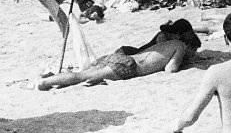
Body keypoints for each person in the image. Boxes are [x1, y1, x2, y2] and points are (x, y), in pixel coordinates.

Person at [39, 19, 200, 90]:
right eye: (194, 52)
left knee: (83, 74)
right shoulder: (180, 46)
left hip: (122, 58)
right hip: (129, 65)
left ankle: (49, 80)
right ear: (189, 44)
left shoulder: (165, 41)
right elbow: (170, 69)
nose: (194, 55)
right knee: (81, 77)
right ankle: (44, 83)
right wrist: (185, 62)